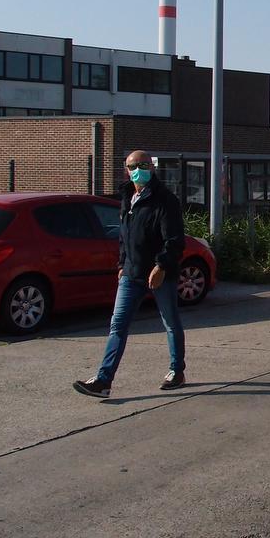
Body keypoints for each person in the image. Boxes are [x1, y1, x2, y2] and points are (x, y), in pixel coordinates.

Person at [73, 150, 187, 398]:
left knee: (170, 323)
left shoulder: (165, 200)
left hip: (159, 274)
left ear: (152, 167)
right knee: (118, 325)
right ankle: (103, 381)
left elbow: (175, 240)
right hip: (131, 274)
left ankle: (176, 370)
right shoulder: (128, 196)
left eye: (143, 164)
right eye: (133, 165)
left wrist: (161, 266)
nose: (138, 169)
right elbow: (125, 236)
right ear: (126, 169)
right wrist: (122, 265)